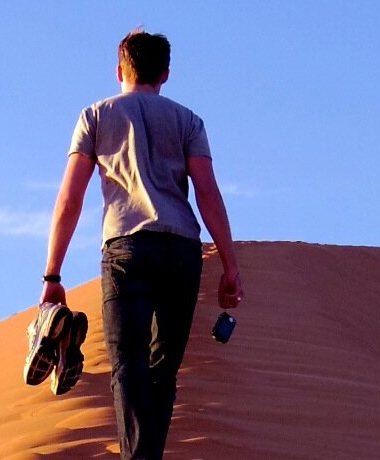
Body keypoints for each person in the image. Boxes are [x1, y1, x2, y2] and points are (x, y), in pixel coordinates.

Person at [37, 28, 245, 460]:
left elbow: (70, 198)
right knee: (162, 371)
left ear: (119, 70)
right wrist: (230, 265)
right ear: (165, 74)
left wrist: (52, 275)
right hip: (182, 251)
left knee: (128, 365)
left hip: (126, 251)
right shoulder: (188, 121)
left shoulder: (95, 116)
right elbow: (208, 193)